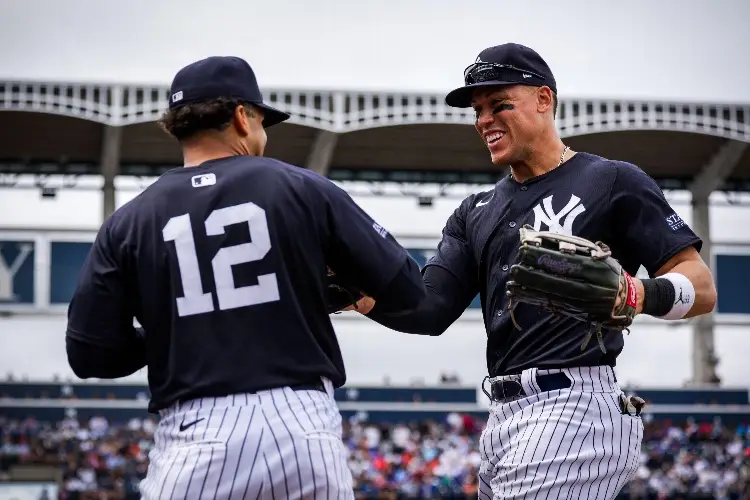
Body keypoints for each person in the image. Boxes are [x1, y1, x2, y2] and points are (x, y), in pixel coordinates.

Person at [353, 43, 718, 499]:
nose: (484, 119)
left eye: (500, 104)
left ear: (544, 100)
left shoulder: (611, 180)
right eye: (478, 110)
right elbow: (428, 310)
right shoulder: (475, 211)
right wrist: (358, 294)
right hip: (503, 419)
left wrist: (636, 294)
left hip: (576, 402)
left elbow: (701, 287)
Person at [65, 56, 427, 499]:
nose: (262, 132)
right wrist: (314, 293)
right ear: (241, 116)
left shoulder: (129, 221)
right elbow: (409, 289)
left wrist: (170, 329)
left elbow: (89, 354)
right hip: (302, 424)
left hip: (197, 432)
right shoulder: (303, 187)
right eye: (261, 120)